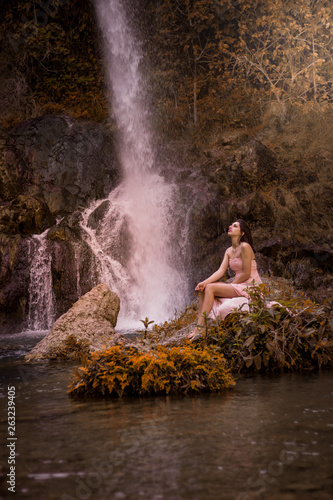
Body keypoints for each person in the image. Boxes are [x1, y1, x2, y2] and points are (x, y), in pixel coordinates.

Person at [188, 219, 262, 340]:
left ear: (242, 233)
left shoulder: (245, 247)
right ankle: (199, 325)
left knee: (211, 288)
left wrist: (231, 285)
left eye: (235, 226)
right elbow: (220, 271)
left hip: (250, 285)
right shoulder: (228, 251)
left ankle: (200, 329)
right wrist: (204, 282)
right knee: (204, 288)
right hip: (239, 284)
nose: (230, 227)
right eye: (231, 225)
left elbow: (247, 274)